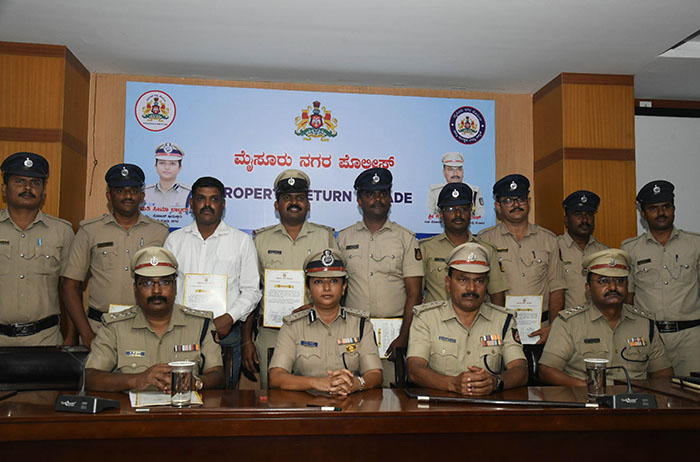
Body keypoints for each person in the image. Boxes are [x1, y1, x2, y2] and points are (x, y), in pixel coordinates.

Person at [241, 169, 337, 389]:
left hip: (317, 329)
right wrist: (247, 341)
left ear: (308, 204)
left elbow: (339, 284)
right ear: (277, 205)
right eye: (287, 198)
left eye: (300, 197)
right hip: (271, 332)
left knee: (317, 391)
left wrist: (315, 305)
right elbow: (250, 291)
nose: (294, 203)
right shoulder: (260, 240)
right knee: (273, 392)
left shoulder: (326, 237)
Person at [164, 176, 261, 388]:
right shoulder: (175, 240)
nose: (207, 204)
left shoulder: (241, 241)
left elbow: (252, 291)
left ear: (223, 204)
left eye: (214, 199)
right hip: (181, 331)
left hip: (225, 333)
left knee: (223, 398)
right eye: (201, 198)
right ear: (191, 203)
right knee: (179, 391)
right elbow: (166, 287)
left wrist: (229, 317)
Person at [85, 247, 223, 391]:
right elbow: (90, 377)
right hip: (130, 405)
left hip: (183, 405)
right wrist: (136, 380)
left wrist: (196, 383)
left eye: (165, 282)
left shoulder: (201, 324)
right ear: (135, 288)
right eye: (147, 283)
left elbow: (217, 375)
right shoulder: (115, 327)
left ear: (175, 286)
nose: (156, 291)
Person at [61, 163, 169, 348]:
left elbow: (169, 284)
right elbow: (70, 285)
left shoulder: (160, 232)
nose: (128, 196)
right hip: (99, 328)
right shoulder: (90, 230)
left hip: (146, 328)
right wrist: (85, 332)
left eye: (133, 191)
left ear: (142, 196)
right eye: (120, 191)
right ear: (109, 196)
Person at [337, 167, 423, 386]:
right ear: (359, 200)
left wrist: (404, 336)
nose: (378, 199)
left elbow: (415, 293)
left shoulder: (406, 238)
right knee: (351, 392)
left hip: (393, 337)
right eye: (370, 194)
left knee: (393, 396)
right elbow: (335, 289)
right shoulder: (343, 239)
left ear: (390, 199)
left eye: (383, 193)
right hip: (353, 335)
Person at [407, 243, 527, 395]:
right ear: (448, 283)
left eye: (479, 281)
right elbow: (414, 369)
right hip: (441, 405)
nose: (471, 288)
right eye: (463, 280)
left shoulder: (503, 320)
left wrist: (495, 382)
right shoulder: (426, 318)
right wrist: (451, 384)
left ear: (487, 284)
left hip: (488, 405)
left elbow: (520, 370)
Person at [539, 249, 672, 385]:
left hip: (634, 396)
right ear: (588, 288)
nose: (613, 287)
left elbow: (662, 372)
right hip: (586, 396)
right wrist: (585, 388)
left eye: (620, 281)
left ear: (627, 285)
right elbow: (546, 371)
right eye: (603, 281)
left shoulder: (645, 323)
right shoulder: (569, 323)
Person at [269, 248, 382, 394]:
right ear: (308, 289)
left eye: (334, 281)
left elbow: (375, 374)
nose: (327, 288)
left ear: (344, 287)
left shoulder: (361, 325)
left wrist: (357, 383)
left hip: (349, 402)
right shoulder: (293, 326)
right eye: (318, 282)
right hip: (305, 403)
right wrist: (316, 383)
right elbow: (276, 377)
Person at [622, 180, 700, 376]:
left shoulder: (695, 244)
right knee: (649, 390)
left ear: (673, 209)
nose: (661, 213)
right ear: (643, 214)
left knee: (692, 391)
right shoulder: (630, 248)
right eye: (653, 208)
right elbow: (628, 297)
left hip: (690, 337)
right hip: (649, 336)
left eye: (666, 207)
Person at [478, 174, 565, 343]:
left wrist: (553, 327)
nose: (516, 205)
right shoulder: (485, 240)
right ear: (498, 206)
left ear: (529, 201)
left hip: (541, 329)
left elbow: (557, 287)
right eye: (508, 201)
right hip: (498, 327)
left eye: (521, 199)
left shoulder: (549, 240)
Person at [0, 152, 74, 346]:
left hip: (44, 339)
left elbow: (70, 288)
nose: (27, 188)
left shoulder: (62, 231)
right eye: (19, 181)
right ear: (4, 188)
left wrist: (72, 335)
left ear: (43, 191)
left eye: (35, 183)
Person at [420, 182, 507, 305]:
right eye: (451, 209)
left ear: (471, 212)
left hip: (477, 317)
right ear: (441, 214)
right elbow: (416, 293)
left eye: (463, 209)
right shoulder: (425, 248)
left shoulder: (486, 250)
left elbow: (497, 294)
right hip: (436, 317)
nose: (458, 214)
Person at [557, 190, 608, 309]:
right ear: (566, 220)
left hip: (598, 319)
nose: (585, 220)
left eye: (589, 214)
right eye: (578, 214)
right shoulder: (554, 248)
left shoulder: (604, 253)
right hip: (566, 320)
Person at [142, 142, 191, 226]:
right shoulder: (145, 193)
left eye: (172, 163)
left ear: (180, 168)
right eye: (162, 163)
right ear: (156, 166)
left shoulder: (188, 194)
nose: (167, 167)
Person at [426, 152, 485, 222]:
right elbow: (429, 217)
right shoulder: (434, 191)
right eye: (450, 170)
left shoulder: (474, 191)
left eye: (459, 169)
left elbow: (480, 218)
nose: (455, 173)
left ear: (463, 171)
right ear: (444, 172)